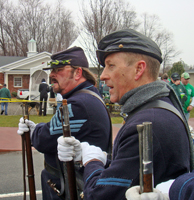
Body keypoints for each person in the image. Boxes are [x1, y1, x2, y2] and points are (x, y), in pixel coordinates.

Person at [57, 29, 193, 200]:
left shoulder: (147, 122)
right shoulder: (156, 109)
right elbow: (129, 168)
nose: (103, 76)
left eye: (111, 65)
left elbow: (99, 196)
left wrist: (92, 161)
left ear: (139, 69)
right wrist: (98, 157)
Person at [17, 46, 111, 200]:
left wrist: (36, 130)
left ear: (78, 72)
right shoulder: (85, 96)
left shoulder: (79, 104)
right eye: (52, 70)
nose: (52, 74)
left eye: (59, 69)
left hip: (69, 187)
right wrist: (39, 128)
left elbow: (44, 140)